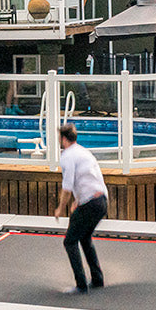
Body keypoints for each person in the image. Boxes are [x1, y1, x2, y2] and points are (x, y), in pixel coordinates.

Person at [52, 122, 108, 293]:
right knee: (84, 238)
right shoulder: (84, 152)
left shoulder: (67, 155)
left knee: (70, 241)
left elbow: (67, 186)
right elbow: (90, 179)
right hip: (101, 201)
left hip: (90, 203)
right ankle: (97, 279)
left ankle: (81, 284)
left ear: (63, 139)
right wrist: (79, 200)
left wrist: (60, 208)